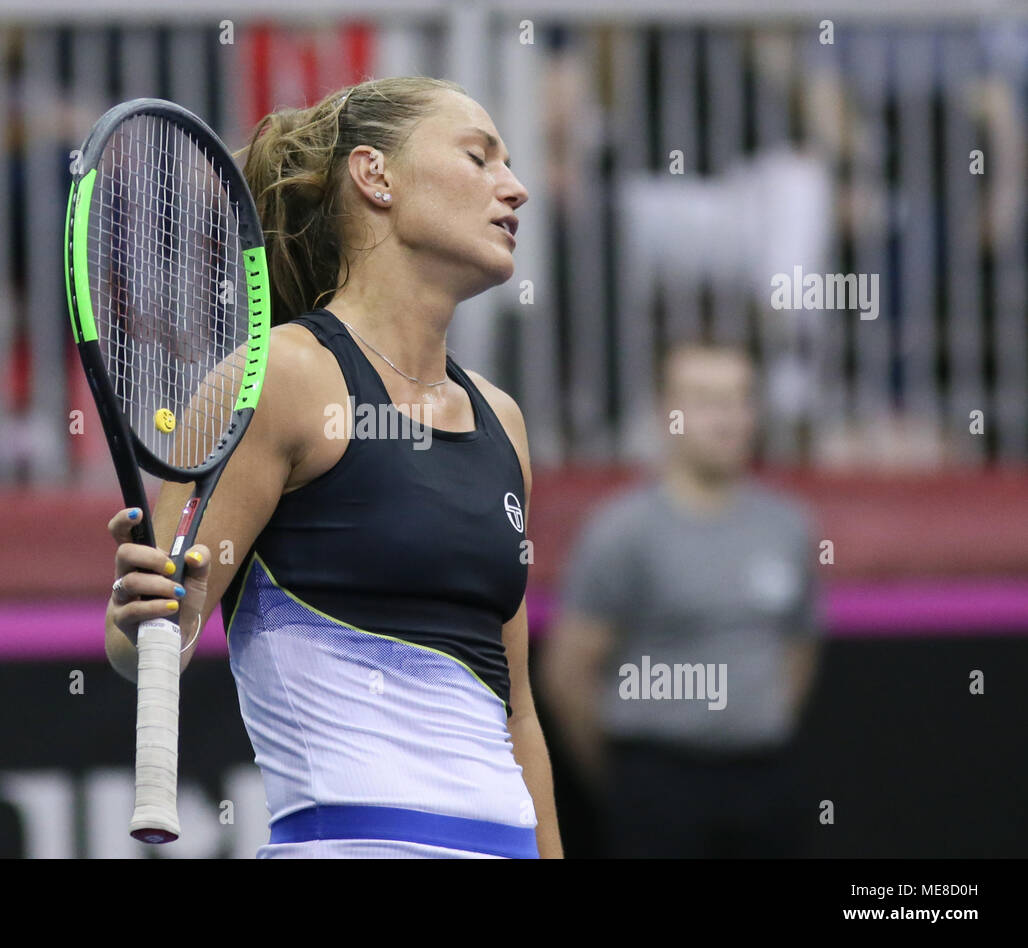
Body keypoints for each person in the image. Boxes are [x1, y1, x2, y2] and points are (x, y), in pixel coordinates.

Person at [101, 76, 561, 858]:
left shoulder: (502, 422)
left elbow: (516, 707)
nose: (514, 188)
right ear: (375, 175)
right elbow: (155, 634)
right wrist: (137, 619)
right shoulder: (279, 377)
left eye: (509, 165)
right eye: (479, 158)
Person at [542, 341, 822, 857]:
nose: (729, 418)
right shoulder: (621, 531)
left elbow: (798, 650)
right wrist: (625, 779)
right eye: (707, 399)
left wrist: (755, 718)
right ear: (665, 413)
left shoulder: (789, 526)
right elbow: (568, 673)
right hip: (659, 785)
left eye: (741, 399)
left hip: (767, 780)